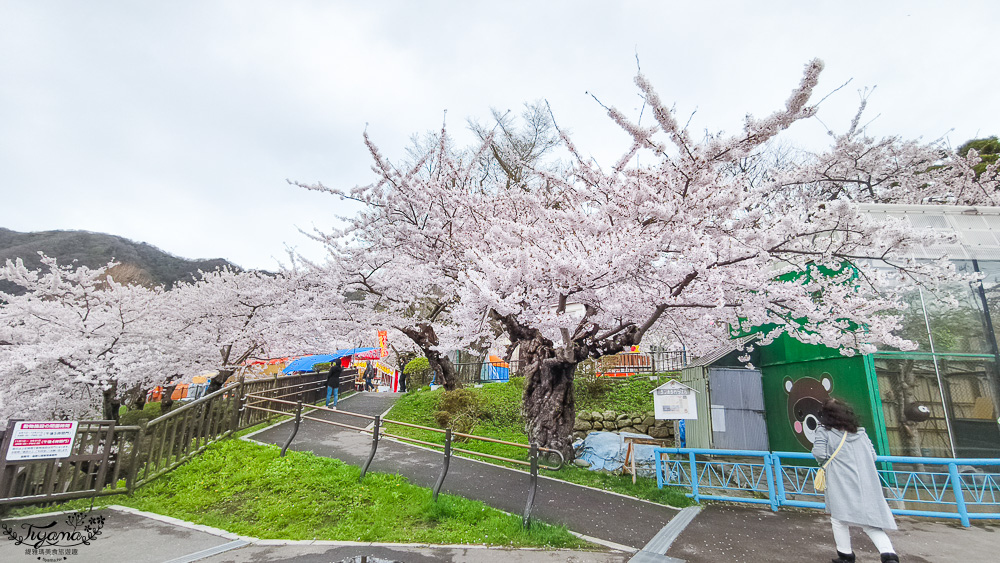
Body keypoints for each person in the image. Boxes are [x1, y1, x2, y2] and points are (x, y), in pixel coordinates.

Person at [812, 398, 899, 563]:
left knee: (839, 519)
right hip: (865, 481)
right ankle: (889, 555)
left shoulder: (824, 431)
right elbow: (873, 456)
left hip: (840, 480)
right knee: (870, 523)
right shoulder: (860, 432)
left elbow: (819, 453)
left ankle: (845, 555)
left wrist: (830, 463)